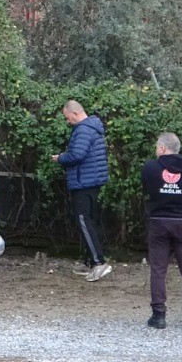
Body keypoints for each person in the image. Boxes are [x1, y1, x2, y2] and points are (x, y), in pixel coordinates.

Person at [141, 132, 182, 330]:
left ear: (161, 148)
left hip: (159, 221)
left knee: (158, 269)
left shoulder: (150, 167)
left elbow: (146, 188)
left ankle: (158, 315)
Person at [54, 100, 111, 282]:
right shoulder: (92, 127)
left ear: (75, 113)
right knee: (90, 221)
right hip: (91, 180)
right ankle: (90, 261)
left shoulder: (83, 129)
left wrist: (60, 158)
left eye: (67, 117)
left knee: (83, 221)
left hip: (83, 182)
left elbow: (77, 155)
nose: (67, 121)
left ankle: (98, 263)